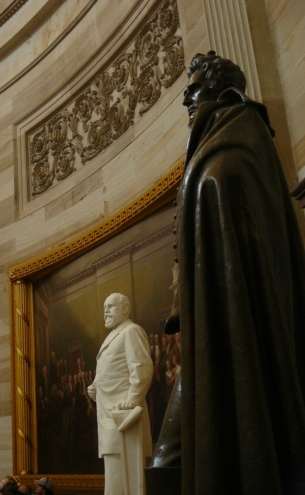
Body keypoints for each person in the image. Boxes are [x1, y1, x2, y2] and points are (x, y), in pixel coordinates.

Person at [150, 51, 305, 495]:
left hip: (234, 333)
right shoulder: (219, 152)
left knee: (171, 459)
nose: (187, 101)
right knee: (167, 460)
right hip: (211, 336)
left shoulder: (231, 158)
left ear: (221, 91)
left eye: (195, 90)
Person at [87, 293, 152, 495]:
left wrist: (131, 401)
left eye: (111, 306)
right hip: (110, 416)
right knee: (115, 475)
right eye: (104, 307)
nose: (105, 311)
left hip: (125, 417)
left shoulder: (131, 331)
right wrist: (96, 388)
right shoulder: (114, 334)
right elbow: (113, 372)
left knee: (127, 480)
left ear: (125, 309)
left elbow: (141, 368)